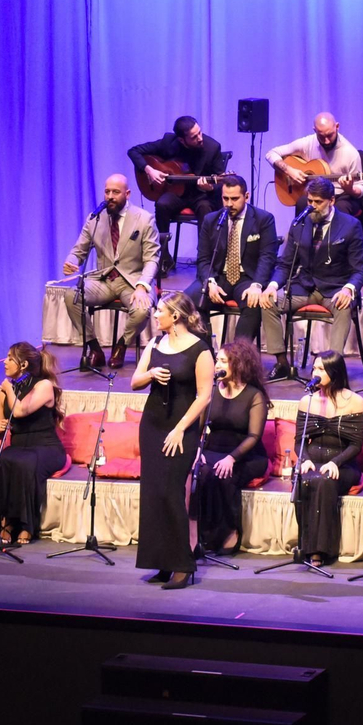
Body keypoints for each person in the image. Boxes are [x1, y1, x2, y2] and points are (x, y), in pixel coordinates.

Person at [131, 292, 215, 589]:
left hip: (181, 427)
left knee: (171, 492)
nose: (155, 315)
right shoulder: (155, 344)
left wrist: (180, 428)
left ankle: (183, 564)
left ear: (175, 316)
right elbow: (134, 381)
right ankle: (162, 562)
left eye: (160, 311)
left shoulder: (200, 350)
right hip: (152, 425)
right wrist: (151, 373)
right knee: (153, 493)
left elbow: (204, 396)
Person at [260, 176, 363, 381]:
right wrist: (273, 286)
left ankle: (332, 369)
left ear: (331, 201)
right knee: (268, 303)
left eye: (318, 202)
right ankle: (282, 363)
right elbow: (285, 263)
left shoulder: (350, 225)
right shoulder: (300, 223)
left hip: (336, 289)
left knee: (344, 306)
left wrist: (348, 289)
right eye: (310, 201)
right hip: (305, 288)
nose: (312, 207)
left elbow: (360, 269)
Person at [62, 174, 159, 370]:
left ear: (127, 193)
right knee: (72, 296)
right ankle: (94, 348)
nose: (110, 197)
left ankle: (122, 345)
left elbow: (152, 258)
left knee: (142, 309)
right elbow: (79, 250)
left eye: (115, 192)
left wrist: (142, 286)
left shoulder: (144, 219)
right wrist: (71, 262)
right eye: (107, 192)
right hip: (104, 280)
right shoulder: (95, 219)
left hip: (132, 280)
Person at [191, 339, 269, 556]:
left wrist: (232, 458)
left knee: (224, 474)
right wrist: (198, 450)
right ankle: (203, 534)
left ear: (239, 364)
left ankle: (230, 531)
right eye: (217, 360)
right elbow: (198, 427)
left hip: (245, 454)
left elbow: (254, 436)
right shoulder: (212, 390)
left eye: (223, 361)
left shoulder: (254, 395)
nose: (217, 365)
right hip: (212, 449)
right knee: (202, 473)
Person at [291, 350, 363, 566]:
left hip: (342, 464)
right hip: (312, 460)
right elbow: (299, 440)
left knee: (324, 481)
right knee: (305, 478)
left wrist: (335, 462)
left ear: (334, 372)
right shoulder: (306, 400)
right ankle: (305, 545)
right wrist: (304, 459)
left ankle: (321, 550)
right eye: (314, 368)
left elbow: (356, 445)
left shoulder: (355, 401)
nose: (315, 373)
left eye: (320, 369)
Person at [128, 115, 229, 273]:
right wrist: (150, 170)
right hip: (176, 194)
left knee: (205, 208)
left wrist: (209, 188)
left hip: (201, 195)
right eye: (194, 137)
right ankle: (165, 257)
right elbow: (134, 152)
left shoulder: (212, 147)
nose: (200, 138)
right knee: (162, 204)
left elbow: (221, 184)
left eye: (200, 133)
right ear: (182, 140)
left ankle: (204, 259)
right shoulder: (168, 142)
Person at [186, 175, 279, 346]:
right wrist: (210, 281)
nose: (229, 204)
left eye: (235, 199)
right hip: (219, 276)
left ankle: (236, 358)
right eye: (225, 198)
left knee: (253, 303)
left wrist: (257, 285)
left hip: (247, 278)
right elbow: (204, 258)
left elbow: (268, 257)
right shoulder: (212, 220)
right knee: (190, 298)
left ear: (247, 196)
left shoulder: (264, 219)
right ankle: (205, 353)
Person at [0, 343, 65, 547]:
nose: (4, 362)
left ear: (22, 364)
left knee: (26, 463)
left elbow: (21, 410)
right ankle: (7, 522)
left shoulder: (43, 385)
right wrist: (2, 427)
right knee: (4, 460)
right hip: (19, 445)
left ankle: (26, 525)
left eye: (9, 358)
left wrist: (7, 388)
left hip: (46, 446)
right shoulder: (5, 392)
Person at [265, 112, 363, 216]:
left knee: (340, 210)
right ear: (315, 131)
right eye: (322, 136)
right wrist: (289, 170)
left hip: (340, 195)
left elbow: (360, 187)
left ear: (337, 127)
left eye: (330, 135)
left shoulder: (350, 153)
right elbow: (271, 154)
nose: (326, 141)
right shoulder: (307, 143)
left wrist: (350, 189)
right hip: (313, 194)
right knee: (302, 203)